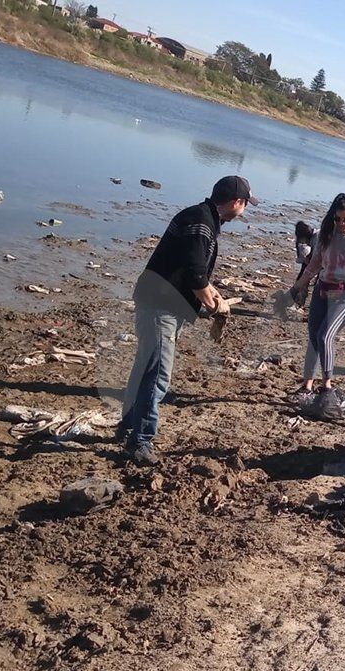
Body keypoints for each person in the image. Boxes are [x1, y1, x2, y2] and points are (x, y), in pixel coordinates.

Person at [116, 176, 258, 465]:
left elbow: (196, 271)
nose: (244, 210)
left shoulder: (202, 217)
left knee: (145, 367)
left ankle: (128, 424)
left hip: (160, 301)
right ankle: (140, 440)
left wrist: (212, 294)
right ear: (236, 202)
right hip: (160, 307)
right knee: (158, 376)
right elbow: (195, 277)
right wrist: (215, 307)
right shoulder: (201, 224)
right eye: (245, 205)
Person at [289, 193, 345, 404]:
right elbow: (315, 263)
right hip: (322, 291)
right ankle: (307, 386)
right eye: (337, 219)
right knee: (313, 338)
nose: (342, 224)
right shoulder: (327, 233)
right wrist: (298, 286)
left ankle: (327, 385)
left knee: (325, 336)